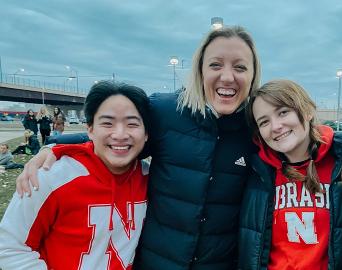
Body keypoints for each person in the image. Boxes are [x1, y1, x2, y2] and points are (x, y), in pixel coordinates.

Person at [16, 25, 261, 269]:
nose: (227, 76)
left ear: (253, 75)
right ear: (200, 70)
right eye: (215, 65)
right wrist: (55, 147)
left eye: (240, 67)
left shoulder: (257, 127)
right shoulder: (166, 111)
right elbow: (118, 138)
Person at [0, 81, 150, 269]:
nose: (120, 134)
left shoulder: (152, 178)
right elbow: (10, 249)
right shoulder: (49, 176)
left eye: (132, 124)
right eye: (107, 123)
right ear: (90, 130)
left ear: (146, 134)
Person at [239, 80, 342, 270]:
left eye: (283, 112)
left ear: (307, 111)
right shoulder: (255, 171)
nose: (276, 126)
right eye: (264, 122)